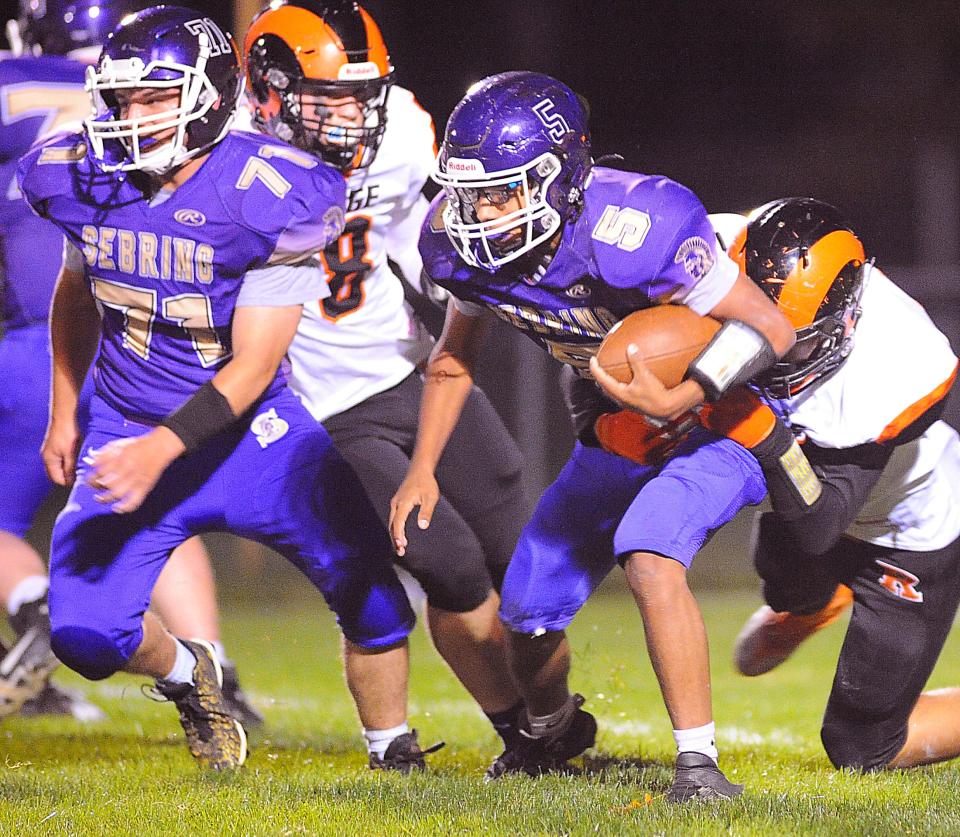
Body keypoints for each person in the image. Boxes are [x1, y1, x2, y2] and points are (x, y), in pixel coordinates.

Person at [17, 5, 424, 771]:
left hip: (252, 435)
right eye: (123, 99)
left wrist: (159, 450)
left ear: (207, 97)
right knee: (84, 636)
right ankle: (188, 675)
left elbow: (254, 365)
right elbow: (76, 290)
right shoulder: (78, 175)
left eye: (154, 99)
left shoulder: (274, 191)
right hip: (127, 422)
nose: (130, 119)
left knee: (372, 592)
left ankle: (393, 753)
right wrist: (66, 408)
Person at [391, 71, 796, 800]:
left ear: (558, 180)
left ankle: (699, 766)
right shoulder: (459, 248)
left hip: (721, 422)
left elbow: (771, 326)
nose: (478, 213)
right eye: (468, 193)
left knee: (648, 548)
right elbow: (453, 361)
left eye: (500, 192)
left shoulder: (639, 226)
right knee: (526, 606)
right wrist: (422, 467)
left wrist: (687, 389)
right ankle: (551, 730)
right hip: (621, 429)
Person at [242, 0, 529, 773]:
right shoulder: (226, 154)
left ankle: (556, 719)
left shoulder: (399, 124)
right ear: (267, 93)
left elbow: (426, 232)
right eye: (327, 100)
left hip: (412, 364)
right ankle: (516, 734)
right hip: (325, 404)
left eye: (359, 99)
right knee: (448, 563)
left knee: (521, 557)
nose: (349, 120)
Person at [0, 0, 259, 728]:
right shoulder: (181, 102)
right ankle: (216, 663)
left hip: (41, 337)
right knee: (156, 506)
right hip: (148, 342)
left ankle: (38, 606)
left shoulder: (18, 85)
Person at [721, 198, 960, 771]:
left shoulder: (893, 366)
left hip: (906, 533)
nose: (768, 353)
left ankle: (843, 588)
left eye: (792, 338)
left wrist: (760, 428)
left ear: (845, 320)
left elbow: (817, 526)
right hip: (823, 499)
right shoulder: (723, 247)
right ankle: (814, 602)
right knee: (782, 579)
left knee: (861, 750)